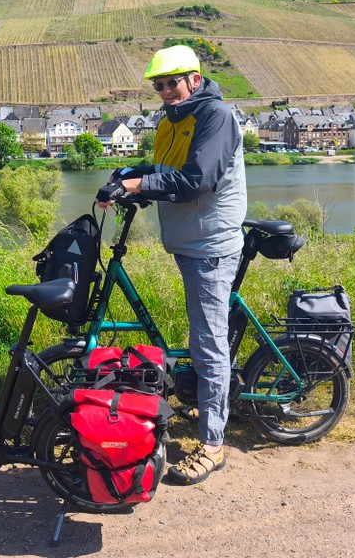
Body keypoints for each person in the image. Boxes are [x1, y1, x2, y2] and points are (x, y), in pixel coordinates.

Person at [99, 44, 247, 485]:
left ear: (195, 81)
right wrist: (125, 177)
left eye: (173, 83)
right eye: (159, 85)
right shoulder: (172, 121)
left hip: (210, 245)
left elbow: (194, 180)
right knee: (203, 334)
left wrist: (138, 183)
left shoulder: (216, 117)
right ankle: (206, 395)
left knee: (207, 341)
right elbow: (161, 167)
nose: (165, 91)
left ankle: (214, 445)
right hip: (189, 241)